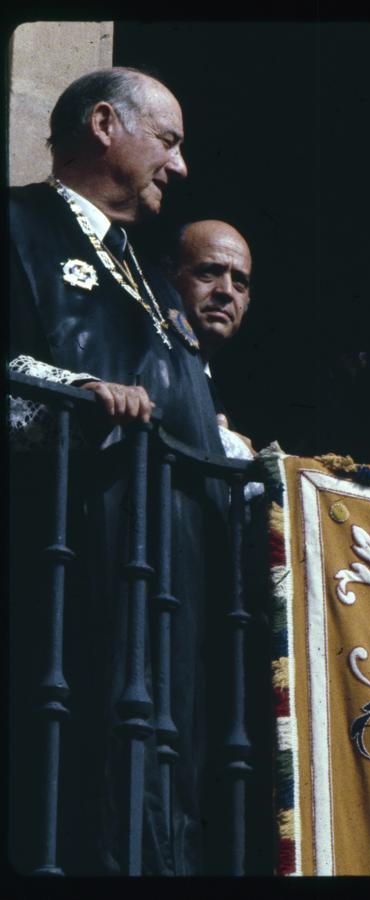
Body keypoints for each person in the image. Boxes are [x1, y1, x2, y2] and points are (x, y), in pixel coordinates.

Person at [7, 67, 231, 875]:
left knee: (165, 778)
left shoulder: (147, 271)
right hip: (74, 569)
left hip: (171, 576)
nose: (179, 167)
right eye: (167, 142)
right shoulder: (17, 225)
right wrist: (74, 391)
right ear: (105, 123)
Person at [167, 218, 257, 457]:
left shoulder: (221, 389)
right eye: (209, 272)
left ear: (247, 302)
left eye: (240, 282)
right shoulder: (149, 366)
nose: (226, 291)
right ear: (170, 276)